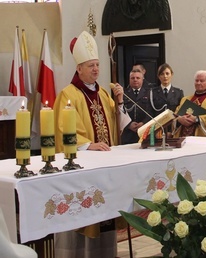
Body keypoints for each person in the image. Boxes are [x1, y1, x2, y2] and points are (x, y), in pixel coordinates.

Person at [53, 31, 130, 257]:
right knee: (83, 215)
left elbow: (119, 125)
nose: (96, 69)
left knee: (103, 216)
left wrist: (120, 102)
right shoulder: (68, 95)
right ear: (79, 69)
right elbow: (62, 131)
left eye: (97, 65)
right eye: (90, 66)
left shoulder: (104, 93)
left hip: (104, 168)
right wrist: (88, 145)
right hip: (82, 169)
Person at [173, 70, 206, 137]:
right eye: (196, 80)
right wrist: (179, 120)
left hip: (202, 140)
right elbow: (175, 116)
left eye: (201, 81)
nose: (198, 83)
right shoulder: (185, 99)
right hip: (183, 138)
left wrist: (196, 119)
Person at [121, 69, 153, 144]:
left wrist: (143, 123)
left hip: (144, 133)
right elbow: (120, 112)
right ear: (129, 79)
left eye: (138, 78)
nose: (135, 80)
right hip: (128, 134)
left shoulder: (149, 93)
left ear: (142, 80)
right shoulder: (123, 93)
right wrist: (129, 124)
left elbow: (151, 112)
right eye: (132, 78)